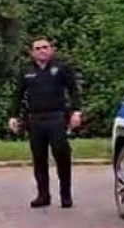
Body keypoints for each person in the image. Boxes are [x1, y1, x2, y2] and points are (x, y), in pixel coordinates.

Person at [8, 36, 84, 208]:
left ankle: (65, 195)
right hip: (35, 119)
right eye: (38, 48)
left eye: (45, 47)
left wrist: (76, 112)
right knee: (39, 158)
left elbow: (74, 90)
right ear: (32, 53)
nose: (42, 51)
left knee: (61, 153)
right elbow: (17, 95)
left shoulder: (61, 67)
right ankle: (43, 195)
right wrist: (13, 116)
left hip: (57, 117)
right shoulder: (26, 71)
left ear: (51, 49)